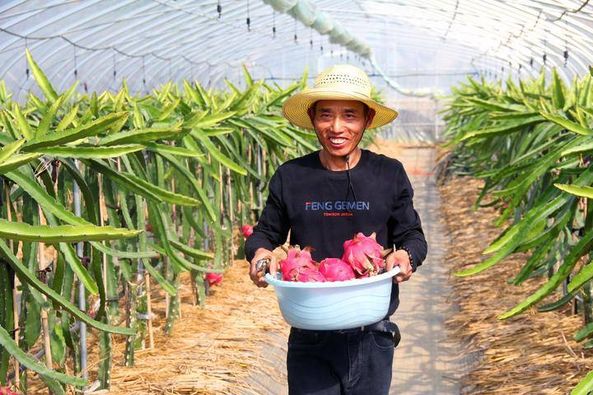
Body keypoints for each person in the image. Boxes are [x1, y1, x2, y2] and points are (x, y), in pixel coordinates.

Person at [245, 64, 427, 395]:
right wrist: (260, 254)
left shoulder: (388, 174)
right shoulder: (291, 176)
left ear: (367, 120)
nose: (337, 127)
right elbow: (265, 234)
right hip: (309, 333)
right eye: (326, 115)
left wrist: (406, 255)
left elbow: (412, 235)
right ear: (313, 118)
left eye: (350, 115)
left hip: (371, 334)